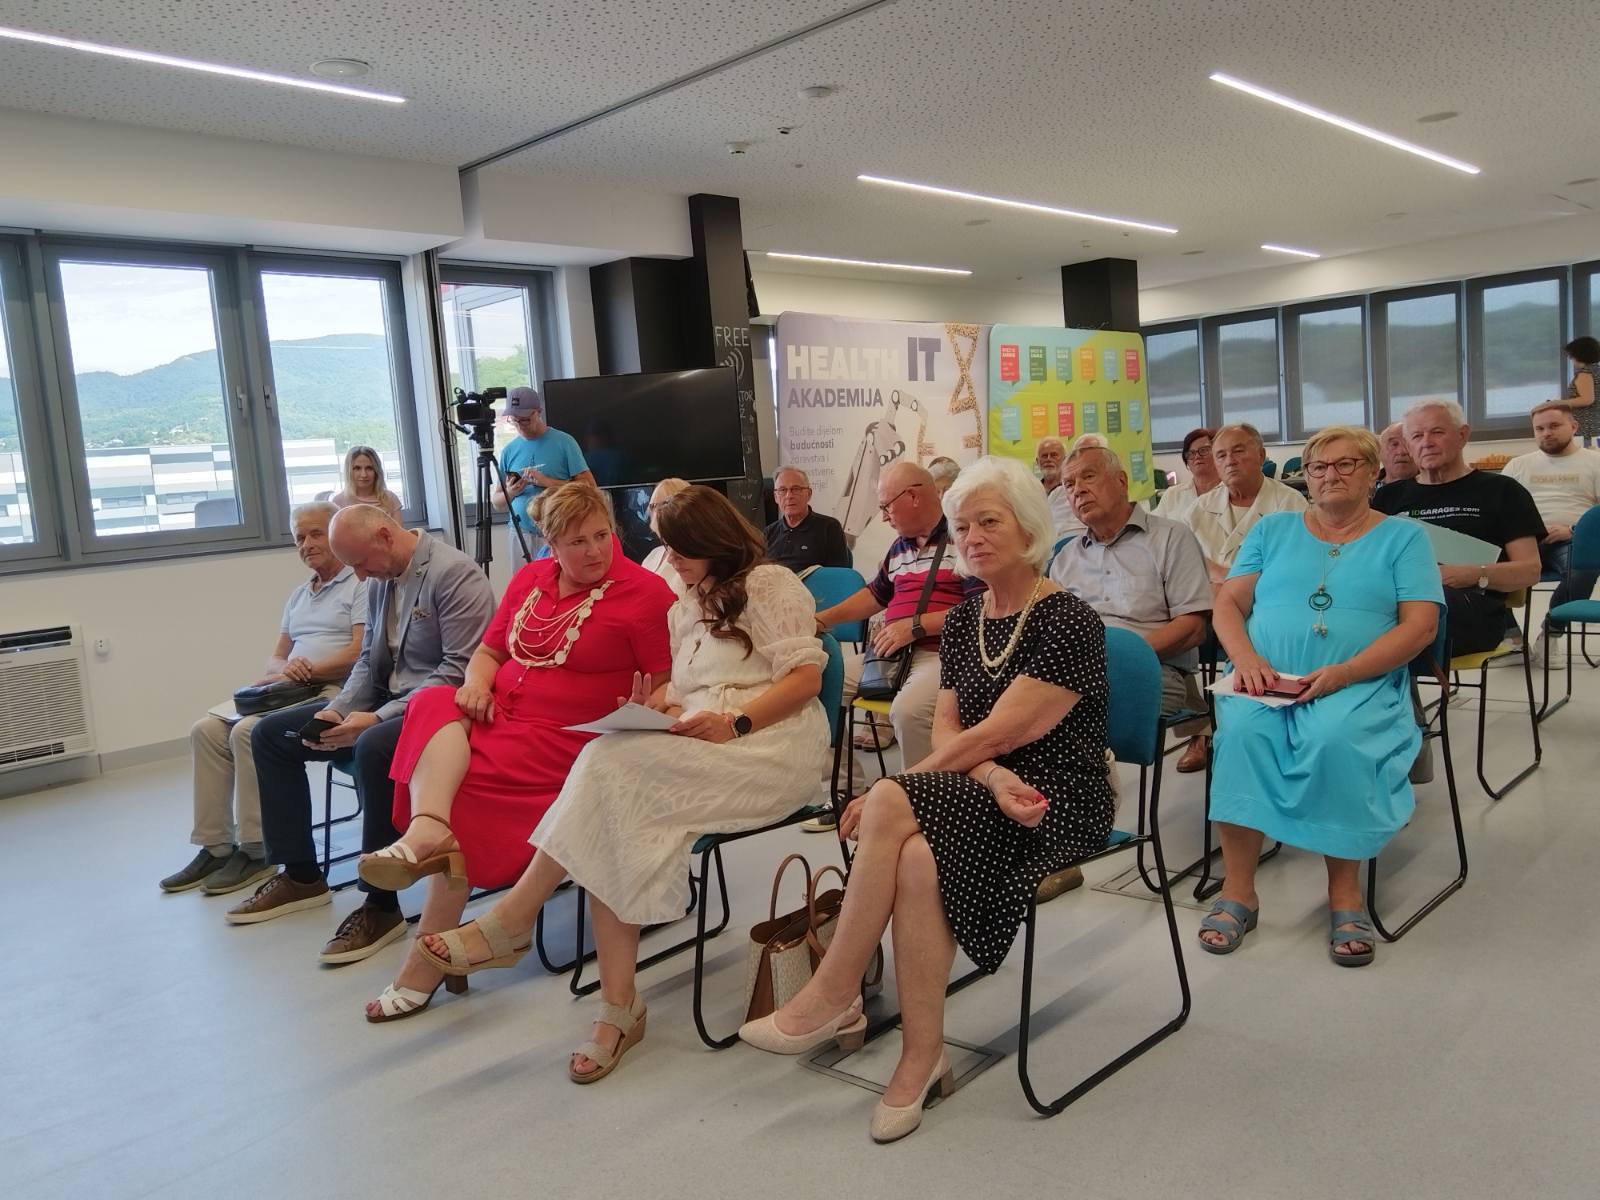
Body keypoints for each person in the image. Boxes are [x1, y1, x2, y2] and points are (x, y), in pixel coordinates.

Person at [739, 456, 1113, 1144]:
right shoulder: (966, 618)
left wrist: (904, 785)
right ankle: (920, 1055)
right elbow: (950, 728)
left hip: (1056, 797)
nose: (971, 537)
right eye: (962, 525)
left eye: (989, 521)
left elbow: (1004, 732)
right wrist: (988, 778)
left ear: (1029, 526)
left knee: (889, 799)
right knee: (914, 860)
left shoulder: (1069, 620)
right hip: (988, 786)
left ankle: (835, 991)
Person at [415, 486, 830, 1084]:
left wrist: (735, 722)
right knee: (613, 791)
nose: (670, 562)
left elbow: (806, 680)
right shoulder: (688, 600)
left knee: (610, 773)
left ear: (713, 542)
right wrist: (658, 704)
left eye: (678, 550)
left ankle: (521, 928)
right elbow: (685, 687)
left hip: (769, 745)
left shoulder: (770, 585)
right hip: (703, 738)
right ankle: (613, 1003)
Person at [356, 482, 676, 1020]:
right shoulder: (530, 579)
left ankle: (424, 958)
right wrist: (476, 685)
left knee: (464, 794)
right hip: (500, 720)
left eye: (602, 536)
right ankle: (428, 829)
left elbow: (668, 682)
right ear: (550, 543)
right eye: (577, 542)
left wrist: (651, 705)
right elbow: (488, 651)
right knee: (432, 699)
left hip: (568, 742)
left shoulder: (644, 593)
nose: (595, 550)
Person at [1200, 426, 1442, 967]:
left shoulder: (1404, 538)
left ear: (1374, 471)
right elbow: (1228, 604)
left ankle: (1344, 893)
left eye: (1346, 464)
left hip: (1359, 681)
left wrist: (1347, 671)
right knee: (1241, 734)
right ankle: (1238, 891)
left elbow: (1420, 627)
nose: (1330, 475)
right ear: (1304, 477)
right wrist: (1247, 659)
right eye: (1318, 467)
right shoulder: (1273, 529)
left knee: (1336, 737)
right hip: (1265, 680)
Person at [233, 506, 495, 965]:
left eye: (359, 562)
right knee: (271, 734)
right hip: (385, 701)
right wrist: (337, 710)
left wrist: (374, 720)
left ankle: (380, 904)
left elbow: (458, 670)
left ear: (385, 536)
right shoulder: (377, 579)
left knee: (373, 746)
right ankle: (301, 874)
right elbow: (367, 664)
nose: (357, 574)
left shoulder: (455, 575)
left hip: (436, 710)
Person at [159, 503, 366, 896]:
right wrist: (285, 670)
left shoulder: (360, 585)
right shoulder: (299, 595)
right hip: (291, 688)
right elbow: (275, 658)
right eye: (299, 538)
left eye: (316, 534)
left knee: (248, 732)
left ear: (336, 534)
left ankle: (257, 849)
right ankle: (216, 847)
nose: (307, 544)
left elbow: (361, 652)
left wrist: (310, 670)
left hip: (335, 692)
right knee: (205, 730)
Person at [814, 463, 985, 800]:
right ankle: (846, 791)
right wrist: (821, 619)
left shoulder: (963, 538)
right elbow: (875, 596)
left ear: (913, 497)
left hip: (941, 655)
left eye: (886, 506)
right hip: (890, 654)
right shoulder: (898, 548)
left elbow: (981, 608)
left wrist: (917, 627)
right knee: (818, 683)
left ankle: (920, 804)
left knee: (908, 711)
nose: (883, 517)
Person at [1049, 445, 1211, 725]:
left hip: (1151, 670)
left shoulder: (1171, 538)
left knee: (1055, 716)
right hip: (1077, 677)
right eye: (1069, 484)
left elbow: (1192, 628)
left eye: (1088, 476)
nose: (1078, 490)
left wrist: (1117, 657)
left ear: (1121, 481)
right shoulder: (1065, 558)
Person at [1373, 400, 1544, 656]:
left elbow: (1530, 571)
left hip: (1469, 607)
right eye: (1417, 436)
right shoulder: (1388, 497)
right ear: (1409, 444)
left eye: (1437, 432)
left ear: (1462, 435)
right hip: (1399, 600)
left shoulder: (1503, 491)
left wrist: (1468, 574)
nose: (1426, 443)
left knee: (1409, 612)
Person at [1501, 401, 1600, 662]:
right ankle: (1512, 640)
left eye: (1554, 426)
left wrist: (1573, 530)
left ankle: (1550, 633)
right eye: (1540, 428)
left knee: (1582, 569)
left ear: (1574, 426)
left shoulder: (1595, 462)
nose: (1546, 433)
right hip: (1523, 539)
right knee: (1481, 569)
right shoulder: (1517, 466)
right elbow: (1498, 510)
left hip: (1572, 539)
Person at [1185, 423, 1308, 586]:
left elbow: (1296, 565)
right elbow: (1184, 558)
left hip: (1269, 595)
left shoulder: (1290, 503)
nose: (1230, 461)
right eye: (1221, 455)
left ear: (1261, 456)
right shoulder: (1199, 508)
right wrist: (1216, 573)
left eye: (1238, 451)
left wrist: (1232, 580)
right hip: (1207, 596)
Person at [490, 386, 595, 563]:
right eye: (514, 421)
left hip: (560, 532)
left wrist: (546, 481)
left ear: (538, 412)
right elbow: (497, 503)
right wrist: (512, 492)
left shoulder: (564, 442)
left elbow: (589, 487)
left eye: (525, 420)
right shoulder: (509, 451)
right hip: (521, 534)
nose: (520, 426)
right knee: (525, 581)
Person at [765, 466, 851, 573]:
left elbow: (839, 576)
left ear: (809, 494)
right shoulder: (769, 533)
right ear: (775, 497)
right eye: (782, 490)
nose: (789, 496)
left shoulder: (829, 528)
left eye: (796, 489)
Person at [1153, 428, 1220, 522]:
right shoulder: (1173, 494)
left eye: (1203, 450)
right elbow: (1154, 524)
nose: (1197, 456)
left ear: (1219, 453)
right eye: (1191, 453)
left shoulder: (1231, 492)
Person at [640, 477, 691, 596]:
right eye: (652, 506)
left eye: (664, 505)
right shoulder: (653, 554)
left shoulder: (693, 559)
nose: (656, 512)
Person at [330, 445, 403, 520]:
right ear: (349, 471)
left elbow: (398, 528)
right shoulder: (337, 502)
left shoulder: (390, 498)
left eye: (369, 468)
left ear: (376, 471)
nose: (364, 475)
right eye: (357, 468)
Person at [1564, 336, 1600, 445]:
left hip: (1586, 428)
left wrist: (1558, 403)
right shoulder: (1596, 370)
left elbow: (1587, 399)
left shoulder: (1585, 373)